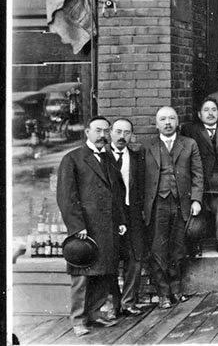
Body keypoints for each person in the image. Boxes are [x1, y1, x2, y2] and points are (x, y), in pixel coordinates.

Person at [57, 116, 126, 336]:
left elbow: (117, 193)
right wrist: (77, 227)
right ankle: (78, 320)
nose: (102, 136)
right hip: (85, 228)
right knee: (82, 276)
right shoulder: (73, 159)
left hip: (107, 226)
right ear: (87, 132)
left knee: (104, 272)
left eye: (106, 131)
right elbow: (66, 197)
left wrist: (121, 220)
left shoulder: (108, 159)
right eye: (98, 131)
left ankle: (95, 314)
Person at [141, 106, 203, 309]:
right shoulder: (147, 147)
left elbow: (197, 174)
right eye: (163, 119)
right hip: (157, 204)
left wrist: (196, 200)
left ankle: (176, 289)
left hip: (180, 202)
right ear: (156, 123)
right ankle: (163, 293)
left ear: (177, 122)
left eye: (171, 118)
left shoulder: (189, 144)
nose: (167, 123)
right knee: (158, 248)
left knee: (178, 247)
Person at [181, 97, 218, 256]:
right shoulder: (190, 130)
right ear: (199, 114)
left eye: (214, 110)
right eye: (206, 110)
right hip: (200, 181)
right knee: (198, 206)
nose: (210, 114)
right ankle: (196, 243)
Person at [107, 118, 145, 316]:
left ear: (132, 135)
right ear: (111, 132)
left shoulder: (137, 157)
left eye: (127, 133)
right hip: (110, 215)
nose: (122, 136)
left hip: (133, 213)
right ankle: (114, 304)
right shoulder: (102, 157)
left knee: (135, 258)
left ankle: (128, 301)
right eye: (119, 132)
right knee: (110, 260)